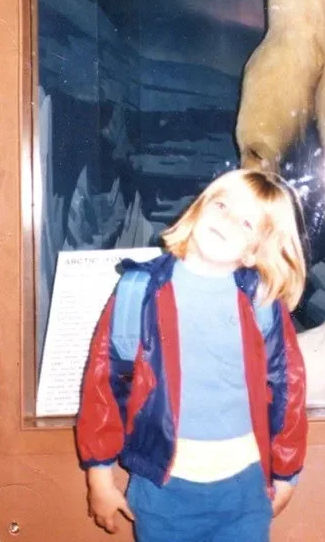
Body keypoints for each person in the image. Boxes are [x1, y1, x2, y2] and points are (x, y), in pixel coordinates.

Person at [76, 169, 309, 541]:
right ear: (198, 209)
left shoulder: (263, 304)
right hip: (162, 491)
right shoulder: (138, 291)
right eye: (221, 205)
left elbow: (289, 389)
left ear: (254, 251)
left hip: (243, 492)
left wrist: (287, 473)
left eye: (246, 222)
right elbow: (103, 384)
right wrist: (99, 476)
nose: (226, 220)